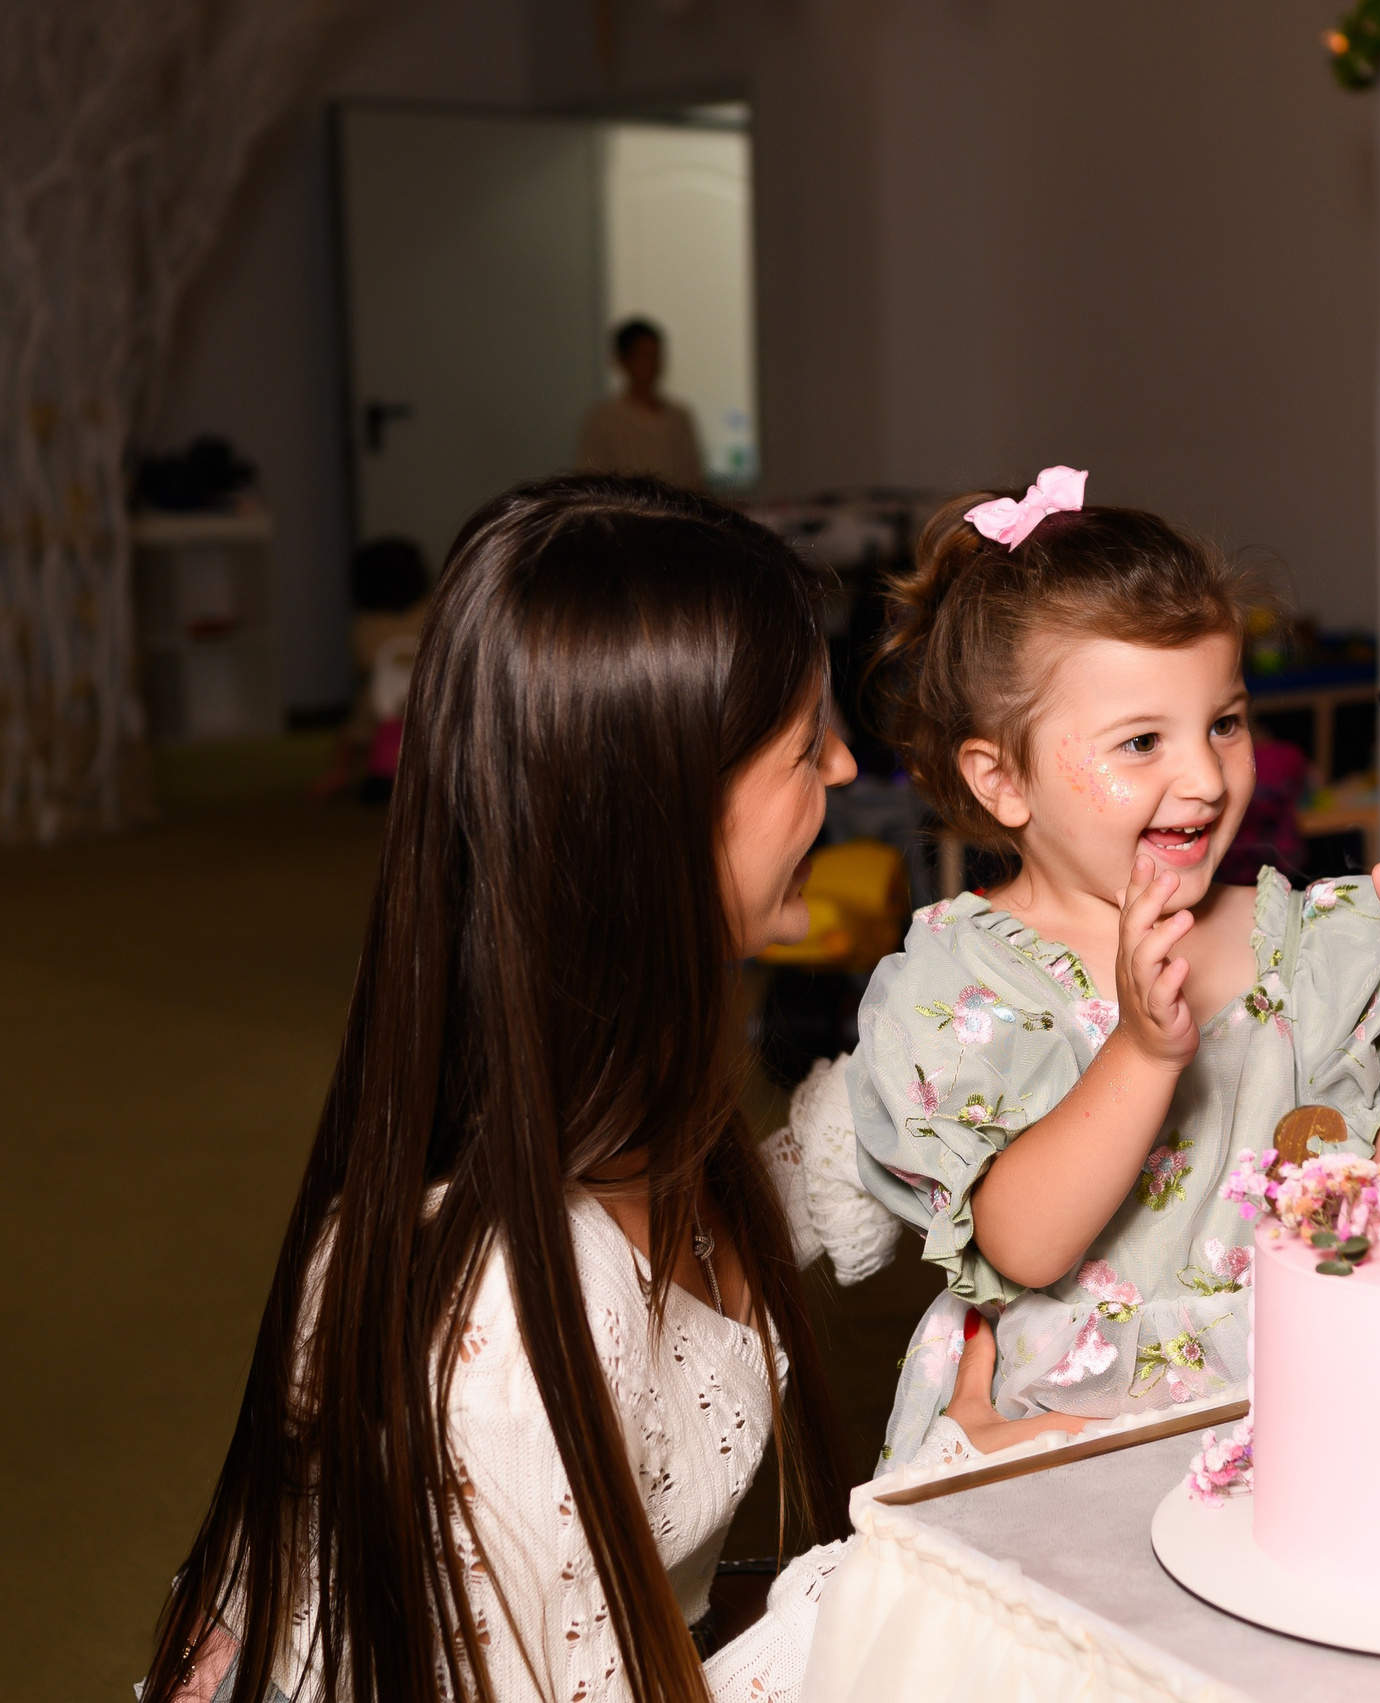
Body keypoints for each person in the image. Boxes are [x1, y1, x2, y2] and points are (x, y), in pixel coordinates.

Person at [142, 476, 874, 1703]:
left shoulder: (607, 1109)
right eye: (808, 741)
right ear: (658, 818)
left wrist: (957, 1046)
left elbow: (716, 1254)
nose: (848, 765)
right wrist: (897, 1594)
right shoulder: (494, 1333)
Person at [807, 469, 1380, 1473]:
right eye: (1141, 741)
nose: (1208, 777)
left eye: (1224, 721)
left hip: (1293, 1405)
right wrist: (1140, 1049)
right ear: (1000, 778)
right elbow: (1024, 1246)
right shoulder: (962, 986)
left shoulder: (1307, 948)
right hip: (1062, 1433)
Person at [576, 318, 708, 492]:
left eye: (655, 356)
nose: (651, 365)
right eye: (643, 356)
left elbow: (694, 479)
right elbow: (589, 479)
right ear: (623, 360)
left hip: (674, 514)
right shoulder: (604, 418)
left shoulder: (678, 416)